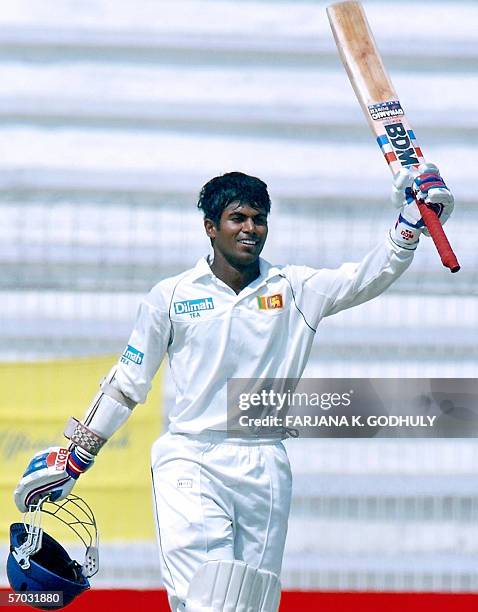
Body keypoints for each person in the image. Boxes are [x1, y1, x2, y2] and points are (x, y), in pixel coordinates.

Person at [15, 165, 454, 611]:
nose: (250, 229)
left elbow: (365, 278)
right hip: (191, 458)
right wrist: (76, 457)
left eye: (258, 219)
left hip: (264, 465)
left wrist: (408, 228)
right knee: (207, 598)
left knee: (249, 603)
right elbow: (127, 383)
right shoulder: (170, 296)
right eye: (237, 218)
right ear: (211, 227)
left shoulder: (295, 287)